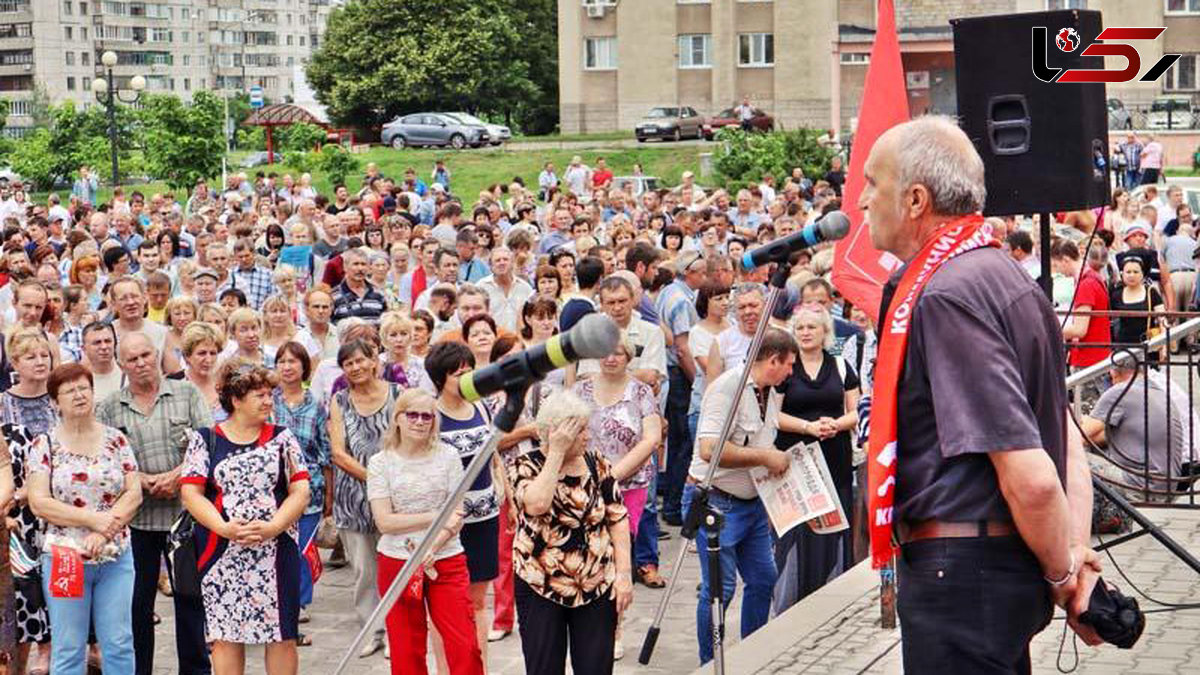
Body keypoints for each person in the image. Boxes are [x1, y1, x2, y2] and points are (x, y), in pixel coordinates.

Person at [860, 116, 1100, 671]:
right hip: (987, 572)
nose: (862, 201)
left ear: (916, 199)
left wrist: (1065, 574)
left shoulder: (947, 294)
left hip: (965, 576)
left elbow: (1034, 477)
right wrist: (1070, 555)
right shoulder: (1007, 275)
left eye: (875, 184)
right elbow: (1065, 440)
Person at [179, 362, 311, 675]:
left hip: (276, 551)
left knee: (282, 634)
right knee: (225, 636)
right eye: (260, 395)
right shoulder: (205, 439)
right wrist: (223, 527)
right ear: (236, 401)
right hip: (221, 550)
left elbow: (300, 489)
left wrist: (275, 526)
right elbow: (192, 493)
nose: (268, 401)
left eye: (270, 394)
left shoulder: (282, 439)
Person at [97, 331, 214, 675]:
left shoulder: (186, 392)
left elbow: (207, 444)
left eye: (146, 355)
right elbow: (106, 462)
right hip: (137, 523)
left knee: (191, 601)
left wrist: (179, 475)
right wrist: (142, 481)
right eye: (132, 359)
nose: (141, 363)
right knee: (137, 606)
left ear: (157, 354)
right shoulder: (109, 407)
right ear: (121, 364)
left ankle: (195, 671)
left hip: (185, 517)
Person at [686, 328, 800, 665]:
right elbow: (709, 449)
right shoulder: (728, 388)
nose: (791, 372)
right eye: (789, 365)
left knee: (764, 578)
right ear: (773, 361)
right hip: (719, 502)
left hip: (753, 502)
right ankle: (712, 663)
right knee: (720, 591)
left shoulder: (770, 391)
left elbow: (767, 433)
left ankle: (752, 655)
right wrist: (766, 458)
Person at [28, 363, 142, 675]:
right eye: (70, 390)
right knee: (68, 646)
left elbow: (134, 493)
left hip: (115, 554)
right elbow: (39, 501)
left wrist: (105, 530)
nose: (79, 395)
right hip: (65, 557)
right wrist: (92, 519)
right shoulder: (45, 444)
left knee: (118, 641)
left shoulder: (116, 439)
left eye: (84, 388)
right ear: (55, 401)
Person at [510, 391, 633, 675]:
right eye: (579, 431)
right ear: (555, 433)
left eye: (586, 429)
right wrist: (555, 453)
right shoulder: (526, 465)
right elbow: (537, 504)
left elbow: (617, 517)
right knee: (544, 668)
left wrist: (624, 575)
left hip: (596, 582)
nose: (587, 437)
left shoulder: (597, 463)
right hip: (540, 582)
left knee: (596, 668)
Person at [367, 389, 485, 675]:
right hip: (398, 561)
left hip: (445, 558)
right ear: (397, 419)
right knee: (406, 649)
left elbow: (457, 513)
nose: (420, 422)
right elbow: (385, 521)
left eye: (427, 416)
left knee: (464, 644)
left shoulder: (449, 456)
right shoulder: (380, 463)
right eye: (413, 415)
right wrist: (436, 516)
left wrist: (432, 547)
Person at [572, 336, 661, 658]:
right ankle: (583, 622)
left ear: (629, 356)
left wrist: (611, 476)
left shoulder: (640, 392)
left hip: (629, 484)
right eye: (605, 352)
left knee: (616, 554)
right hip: (582, 483)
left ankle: (615, 625)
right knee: (585, 552)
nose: (611, 358)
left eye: (619, 353)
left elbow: (650, 438)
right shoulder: (580, 391)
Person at [772, 305, 860, 612]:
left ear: (825, 332)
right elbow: (773, 414)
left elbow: (856, 410)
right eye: (801, 328)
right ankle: (792, 595)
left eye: (812, 327)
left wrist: (835, 424)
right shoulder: (786, 368)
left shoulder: (841, 366)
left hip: (834, 458)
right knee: (798, 529)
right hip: (795, 460)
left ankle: (832, 593)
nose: (806, 333)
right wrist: (808, 426)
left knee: (833, 526)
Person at [427, 341, 500, 666]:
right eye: (459, 374)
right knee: (446, 606)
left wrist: (503, 486)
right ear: (441, 378)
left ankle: (478, 666)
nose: (467, 378)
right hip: (448, 524)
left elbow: (492, 452)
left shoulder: (481, 406)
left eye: (470, 371)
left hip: (485, 515)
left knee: (479, 600)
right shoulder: (430, 414)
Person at [330, 339, 402, 658]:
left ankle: (398, 631)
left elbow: (407, 437)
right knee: (364, 571)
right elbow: (338, 452)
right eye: (348, 363)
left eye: (361, 360)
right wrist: (376, 481)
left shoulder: (397, 394)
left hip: (397, 495)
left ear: (374, 361)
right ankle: (373, 630)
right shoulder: (340, 400)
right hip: (353, 497)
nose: (356, 367)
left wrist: (390, 484)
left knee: (397, 565)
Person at [0, 328, 55, 674]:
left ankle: (54, 658)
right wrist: (17, 495)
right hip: (16, 516)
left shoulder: (58, 399)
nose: (39, 361)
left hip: (55, 515)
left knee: (55, 593)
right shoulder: (2, 403)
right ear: (16, 363)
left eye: (44, 355)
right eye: (31, 356)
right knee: (20, 600)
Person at [271, 341, 332, 640]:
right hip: (274, 490)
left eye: (293, 361)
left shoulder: (317, 405)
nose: (287, 366)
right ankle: (282, 602)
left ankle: (299, 602)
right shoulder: (268, 402)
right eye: (281, 360)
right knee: (281, 548)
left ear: (304, 367)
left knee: (302, 550)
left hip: (311, 488)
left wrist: (330, 496)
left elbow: (326, 451)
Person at [1109, 256, 1165, 352]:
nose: (1132, 275)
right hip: (1123, 346)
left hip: (1148, 345)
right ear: (1122, 274)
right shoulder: (1116, 294)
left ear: (1142, 274)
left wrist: (1164, 347)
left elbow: (1162, 320)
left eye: (1136, 272)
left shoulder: (1151, 292)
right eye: (1128, 272)